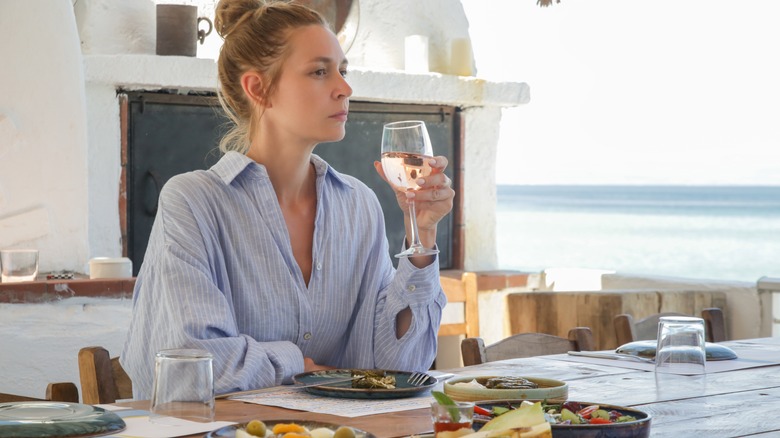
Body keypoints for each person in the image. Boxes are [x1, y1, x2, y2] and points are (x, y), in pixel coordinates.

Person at [120, 0, 455, 399]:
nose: (344, 88)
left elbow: (397, 369)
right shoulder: (193, 202)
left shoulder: (359, 206)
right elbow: (187, 365)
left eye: (343, 71)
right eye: (319, 71)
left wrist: (424, 240)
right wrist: (298, 363)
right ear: (258, 88)